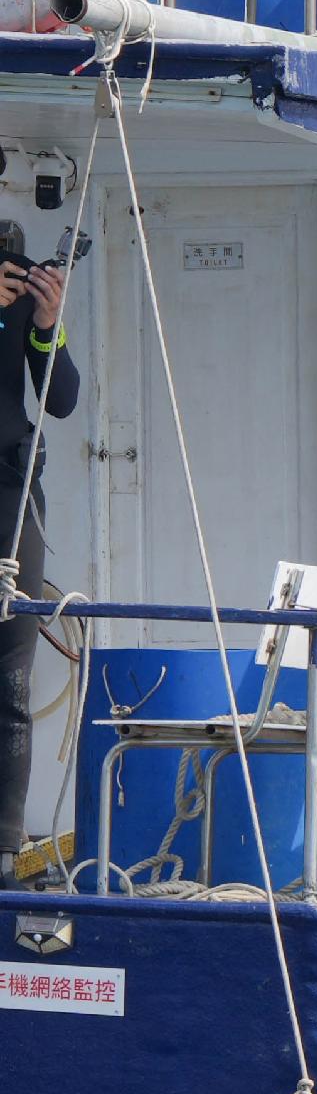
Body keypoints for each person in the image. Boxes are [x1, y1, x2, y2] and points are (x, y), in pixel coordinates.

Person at [0, 234, 75, 868]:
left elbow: (61, 398)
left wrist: (44, 322)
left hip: (10, 497)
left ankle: (3, 848)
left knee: (11, 683)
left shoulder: (19, 282)